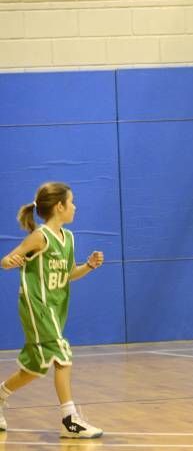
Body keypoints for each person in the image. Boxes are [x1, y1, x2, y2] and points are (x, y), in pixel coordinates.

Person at [0, 182, 104, 438]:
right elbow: (6, 260)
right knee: (62, 354)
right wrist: (10, 261)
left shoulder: (68, 238)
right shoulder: (40, 236)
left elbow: (68, 274)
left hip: (55, 309)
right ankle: (70, 420)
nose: (75, 206)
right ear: (60, 206)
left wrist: (88, 266)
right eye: (72, 202)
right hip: (37, 307)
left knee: (35, 368)